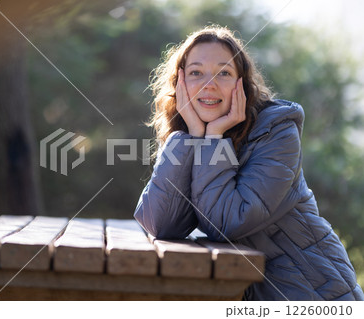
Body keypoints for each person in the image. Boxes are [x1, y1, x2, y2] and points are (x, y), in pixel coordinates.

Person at [133, 25, 364, 301]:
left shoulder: (277, 131)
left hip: (311, 292)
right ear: (180, 83)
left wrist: (214, 137)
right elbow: (160, 223)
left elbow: (227, 224)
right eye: (196, 73)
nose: (209, 84)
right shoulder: (185, 134)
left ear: (241, 83)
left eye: (224, 73)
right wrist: (195, 135)